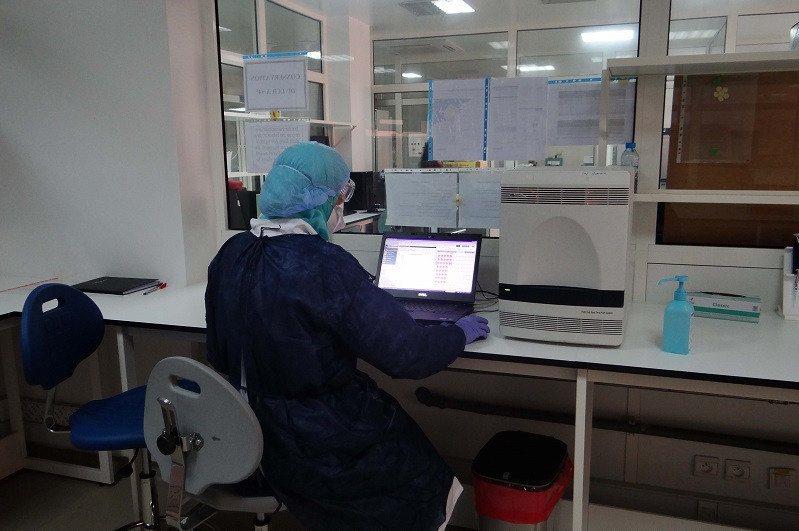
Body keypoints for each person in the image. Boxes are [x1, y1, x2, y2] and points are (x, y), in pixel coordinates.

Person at [205, 141, 490, 530]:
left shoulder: (231, 252)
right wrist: (456, 334)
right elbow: (408, 354)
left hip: (242, 430)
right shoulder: (325, 265)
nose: (341, 208)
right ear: (320, 202)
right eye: (339, 197)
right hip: (312, 445)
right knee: (420, 477)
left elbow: (218, 353)